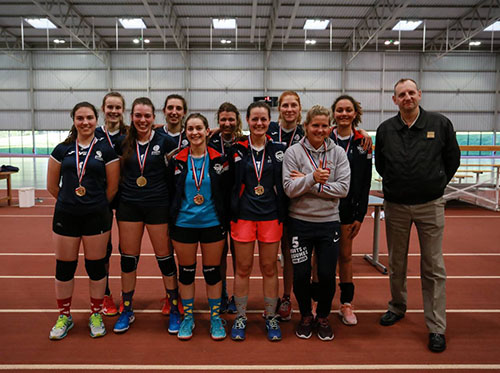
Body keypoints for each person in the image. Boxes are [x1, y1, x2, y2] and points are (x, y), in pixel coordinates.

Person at [375, 78, 460, 353]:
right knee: (396, 262)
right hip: (396, 206)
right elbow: (381, 164)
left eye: (411, 92)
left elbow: (452, 159)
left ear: (419, 95)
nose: (407, 97)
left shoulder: (440, 124)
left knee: (433, 266)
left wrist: (434, 183)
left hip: (430, 204)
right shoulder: (386, 130)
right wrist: (399, 186)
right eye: (402, 94)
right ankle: (397, 307)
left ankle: (436, 326)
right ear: (395, 100)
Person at [47, 102, 120, 340]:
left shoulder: (106, 151)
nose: (85, 122)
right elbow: (51, 186)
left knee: (96, 268)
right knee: (64, 268)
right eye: (80, 118)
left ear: (96, 119)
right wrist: (71, 201)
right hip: (66, 215)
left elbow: (112, 188)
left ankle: (96, 314)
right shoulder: (61, 149)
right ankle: (65, 316)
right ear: (74, 120)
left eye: (89, 117)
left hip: (96, 216)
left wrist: (94, 204)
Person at [113, 97, 181, 334]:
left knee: (165, 259)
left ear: (154, 118)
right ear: (131, 117)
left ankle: (174, 307)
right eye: (138, 115)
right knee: (128, 259)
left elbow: (175, 177)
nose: (142, 120)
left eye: (147, 116)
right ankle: (127, 309)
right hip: (129, 207)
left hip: (158, 206)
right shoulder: (122, 142)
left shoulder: (166, 142)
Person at [282, 105, 350, 341]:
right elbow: (290, 189)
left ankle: (322, 315)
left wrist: (309, 183)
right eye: (315, 125)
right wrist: (313, 178)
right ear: (306, 126)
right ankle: (305, 316)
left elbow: (342, 189)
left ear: (330, 127)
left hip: (329, 223)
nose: (320, 130)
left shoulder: (339, 154)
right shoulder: (293, 152)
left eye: (324, 126)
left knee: (327, 274)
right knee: (300, 275)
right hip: (300, 223)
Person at [169, 113, 231, 340]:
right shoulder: (176, 160)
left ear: (207, 131)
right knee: (186, 274)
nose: (195, 133)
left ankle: (215, 318)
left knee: (212, 273)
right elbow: (170, 192)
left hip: (212, 223)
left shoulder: (219, 160)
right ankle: (188, 318)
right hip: (183, 223)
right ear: (185, 132)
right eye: (190, 129)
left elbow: (226, 191)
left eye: (199, 128)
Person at [229, 101, 287, 341]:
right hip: (243, 216)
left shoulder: (280, 149)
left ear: (269, 121)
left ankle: (271, 316)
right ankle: (241, 316)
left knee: (269, 268)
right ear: (248, 121)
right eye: (255, 119)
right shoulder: (237, 149)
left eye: (264, 119)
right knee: (242, 269)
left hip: (271, 217)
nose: (259, 123)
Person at [330, 95, 372, 325]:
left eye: (348, 110)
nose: (344, 114)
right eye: (339, 110)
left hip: (347, 209)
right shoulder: (323, 137)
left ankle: (346, 304)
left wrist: (360, 214)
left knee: (345, 257)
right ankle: (317, 302)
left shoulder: (363, 143)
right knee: (320, 258)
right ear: (333, 114)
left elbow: (365, 182)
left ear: (355, 113)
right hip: (324, 207)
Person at [266, 91, 305, 321]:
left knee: (290, 253)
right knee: (270, 254)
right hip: (270, 202)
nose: (289, 109)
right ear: (279, 108)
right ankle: (270, 298)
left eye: (294, 105)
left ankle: (287, 297)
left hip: (298, 202)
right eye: (285, 105)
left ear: (300, 108)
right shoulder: (269, 129)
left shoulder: (306, 132)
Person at [208, 102, 244, 314]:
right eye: (223, 120)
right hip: (216, 207)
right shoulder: (210, 141)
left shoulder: (244, 143)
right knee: (219, 254)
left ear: (237, 120)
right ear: (218, 121)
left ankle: (237, 295)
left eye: (231, 119)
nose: (227, 123)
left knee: (239, 256)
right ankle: (221, 294)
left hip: (240, 207)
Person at [95, 91, 128, 317]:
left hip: (127, 197)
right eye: (110, 107)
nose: (114, 111)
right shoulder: (94, 133)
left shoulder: (132, 134)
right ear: (103, 109)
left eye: (118, 107)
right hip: (101, 198)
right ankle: (105, 294)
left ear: (123, 110)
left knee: (127, 250)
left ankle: (128, 296)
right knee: (102, 250)